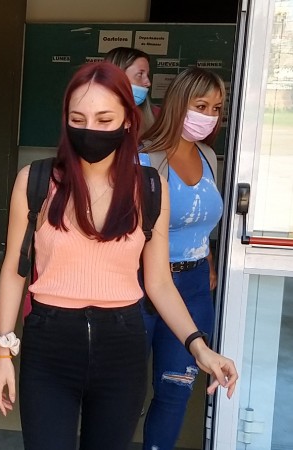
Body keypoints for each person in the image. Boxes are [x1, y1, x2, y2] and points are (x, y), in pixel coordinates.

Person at [0, 62, 237, 450]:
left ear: (127, 121)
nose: (90, 129)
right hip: (50, 343)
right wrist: (2, 353)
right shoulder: (36, 180)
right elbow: (15, 270)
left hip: (122, 345)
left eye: (104, 119)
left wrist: (198, 346)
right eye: (78, 119)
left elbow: (158, 282)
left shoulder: (150, 187)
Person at [137, 67, 226, 450]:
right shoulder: (145, 159)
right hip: (142, 286)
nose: (209, 116)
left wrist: (207, 261)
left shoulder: (207, 156)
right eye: (201, 106)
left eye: (216, 109)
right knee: (123, 390)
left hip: (193, 287)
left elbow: (203, 220)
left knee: (176, 387)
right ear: (178, 104)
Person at [105, 47, 158, 136]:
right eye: (140, 74)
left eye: (147, 75)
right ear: (117, 75)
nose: (148, 83)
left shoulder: (156, 115)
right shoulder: (91, 113)